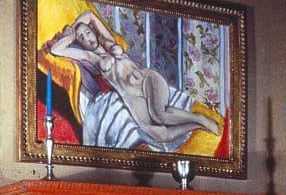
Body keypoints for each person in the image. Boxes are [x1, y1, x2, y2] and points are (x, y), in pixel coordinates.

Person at [48, 10, 220, 151]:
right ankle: (196, 124)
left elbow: (89, 14)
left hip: (146, 80)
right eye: (82, 38)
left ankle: (199, 118)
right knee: (160, 135)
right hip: (131, 97)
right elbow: (57, 50)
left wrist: (74, 26)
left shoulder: (109, 42)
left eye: (87, 32)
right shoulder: (90, 57)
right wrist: (71, 36)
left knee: (159, 115)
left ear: (93, 31)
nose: (87, 38)